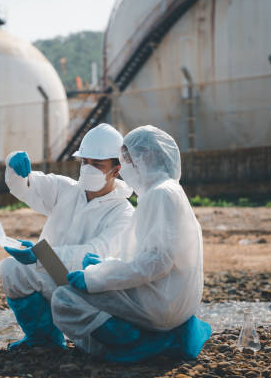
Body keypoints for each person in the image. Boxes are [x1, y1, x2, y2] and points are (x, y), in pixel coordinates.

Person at [51, 125, 211, 363]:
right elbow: (150, 256)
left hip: (163, 303)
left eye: (126, 159)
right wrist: (106, 265)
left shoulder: (160, 195)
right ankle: (178, 333)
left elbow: (156, 262)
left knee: (65, 298)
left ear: (144, 157)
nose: (123, 167)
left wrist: (95, 277)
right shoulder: (164, 192)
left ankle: (146, 343)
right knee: (91, 316)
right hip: (174, 297)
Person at [0, 123, 135, 350]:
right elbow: (27, 185)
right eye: (85, 162)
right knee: (11, 269)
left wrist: (39, 255)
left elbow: (94, 253)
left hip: (92, 291)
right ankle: (43, 339)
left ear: (117, 169)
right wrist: (13, 163)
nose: (88, 168)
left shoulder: (123, 213)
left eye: (97, 164)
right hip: (56, 272)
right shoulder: (67, 190)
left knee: (96, 349)